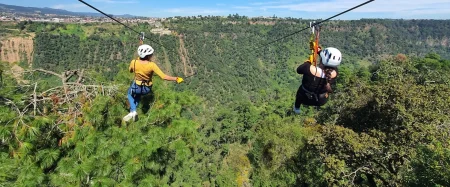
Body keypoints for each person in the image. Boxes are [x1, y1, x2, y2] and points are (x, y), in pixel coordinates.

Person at [123, 44, 184, 122]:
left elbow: (130, 71)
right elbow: (163, 77)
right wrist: (176, 78)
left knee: (130, 94)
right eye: (151, 55)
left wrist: (136, 64)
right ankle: (132, 112)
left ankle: (133, 111)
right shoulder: (152, 65)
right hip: (146, 88)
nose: (152, 56)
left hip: (136, 86)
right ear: (148, 56)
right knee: (138, 95)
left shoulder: (133, 62)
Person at [293, 47, 341, 114]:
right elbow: (328, 64)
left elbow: (299, 70)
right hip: (321, 101)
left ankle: (296, 108)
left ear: (322, 59)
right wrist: (319, 52)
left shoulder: (309, 68)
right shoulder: (335, 73)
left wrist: (308, 62)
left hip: (304, 98)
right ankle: (316, 110)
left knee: (301, 89)